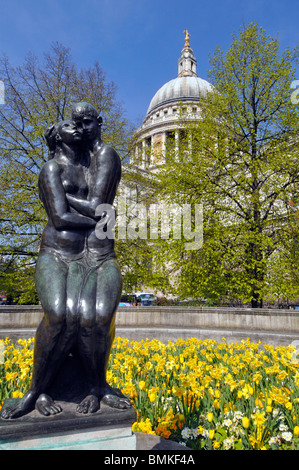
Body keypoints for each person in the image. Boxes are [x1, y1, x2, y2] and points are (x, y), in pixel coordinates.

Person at [1, 109, 130, 419]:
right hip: (58, 253)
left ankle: (96, 387)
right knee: (59, 316)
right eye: (73, 124)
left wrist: (99, 215)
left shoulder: (95, 161)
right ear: (58, 136)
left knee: (92, 319)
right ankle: (36, 390)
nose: (79, 128)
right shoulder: (50, 169)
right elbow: (60, 218)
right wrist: (102, 219)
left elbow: (101, 205)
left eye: (84, 122)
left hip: (88, 256)